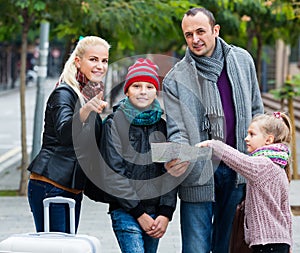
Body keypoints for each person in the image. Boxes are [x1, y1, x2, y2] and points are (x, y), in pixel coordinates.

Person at [162, 7, 264, 253]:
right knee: (196, 248)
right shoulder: (175, 79)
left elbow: (256, 111)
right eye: (188, 34)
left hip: (238, 169)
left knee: (229, 246)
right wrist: (177, 154)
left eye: (200, 31)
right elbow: (177, 130)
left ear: (215, 30)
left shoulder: (242, 60)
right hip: (198, 174)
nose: (195, 39)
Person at [27, 36, 110, 233]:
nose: (100, 66)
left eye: (104, 60)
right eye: (93, 59)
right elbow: (65, 133)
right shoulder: (65, 92)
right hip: (52, 185)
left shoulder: (87, 94)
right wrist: (85, 110)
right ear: (78, 61)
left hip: (71, 187)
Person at [98, 58, 179, 253]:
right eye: (136, 86)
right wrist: (139, 213)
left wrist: (166, 212)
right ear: (126, 91)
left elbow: (170, 171)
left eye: (149, 86)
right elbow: (113, 173)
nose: (143, 91)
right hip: (125, 210)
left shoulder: (163, 126)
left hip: (155, 213)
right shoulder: (114, 124)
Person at [195, 112, 292, 253]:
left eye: (252, 134)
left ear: (268, 140)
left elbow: (239, 160)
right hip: (279, 242)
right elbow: (286, 212)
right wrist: (289, 244)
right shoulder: (279, 167)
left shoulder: (263, 165)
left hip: (266, 244)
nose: (246, 138)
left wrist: (213, 144)